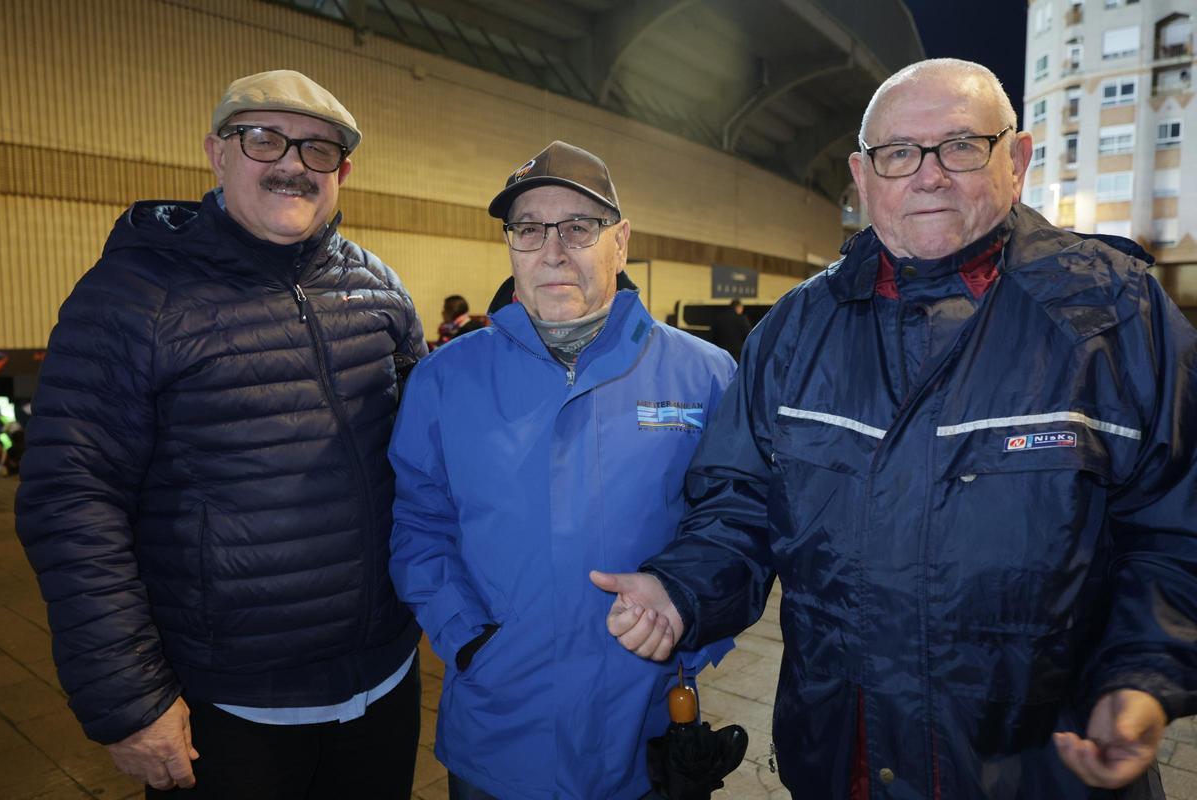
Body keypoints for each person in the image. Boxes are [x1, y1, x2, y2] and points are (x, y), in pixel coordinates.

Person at [593, 59, 1197, 799]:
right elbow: (741, 504)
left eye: (961, 146)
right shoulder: (797, 328)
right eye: (899, 153)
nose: (929, 175)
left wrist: (1140, 675)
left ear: (1019, 158)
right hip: (849, 760)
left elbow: (1178, 528)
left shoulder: (1114, 315)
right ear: (863, 173)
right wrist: (681, 587)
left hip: (1045, 769)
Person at [15, 70, 426, 798]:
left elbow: (428, 465)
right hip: (229, 709)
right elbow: (71, 499)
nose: (293, 163)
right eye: (264, 138)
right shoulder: (135, 295)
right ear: (217, 152)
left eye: (319, 150)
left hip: (382, 684)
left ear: (344, 172)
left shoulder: (379, 292)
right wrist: (129, 699)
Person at [388, 140, 736, 799]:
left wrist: (691, 638)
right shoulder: (445, 380)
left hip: (646, 724)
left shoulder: (704, 376)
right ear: (511, 245)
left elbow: (739, 525)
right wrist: (467, 638)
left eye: (579, 227)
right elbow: (417, 523)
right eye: (529, 228)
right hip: (500, 730)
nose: (553, 249)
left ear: (621, 241)